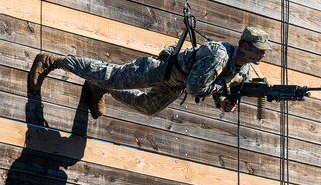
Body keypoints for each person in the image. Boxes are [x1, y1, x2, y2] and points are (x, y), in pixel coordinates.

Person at [27, 26, 270, 118]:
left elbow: (219, 86)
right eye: (260, 49)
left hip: (175, 84)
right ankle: (53, 61)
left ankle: (100, 89)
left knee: (148, 107)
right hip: (163, 71)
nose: (264, 54)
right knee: (111, 74)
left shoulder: (245, 69)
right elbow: (196, 87)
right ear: (246, 46)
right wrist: (224, 90)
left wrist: (223, 103)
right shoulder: (220, 54)